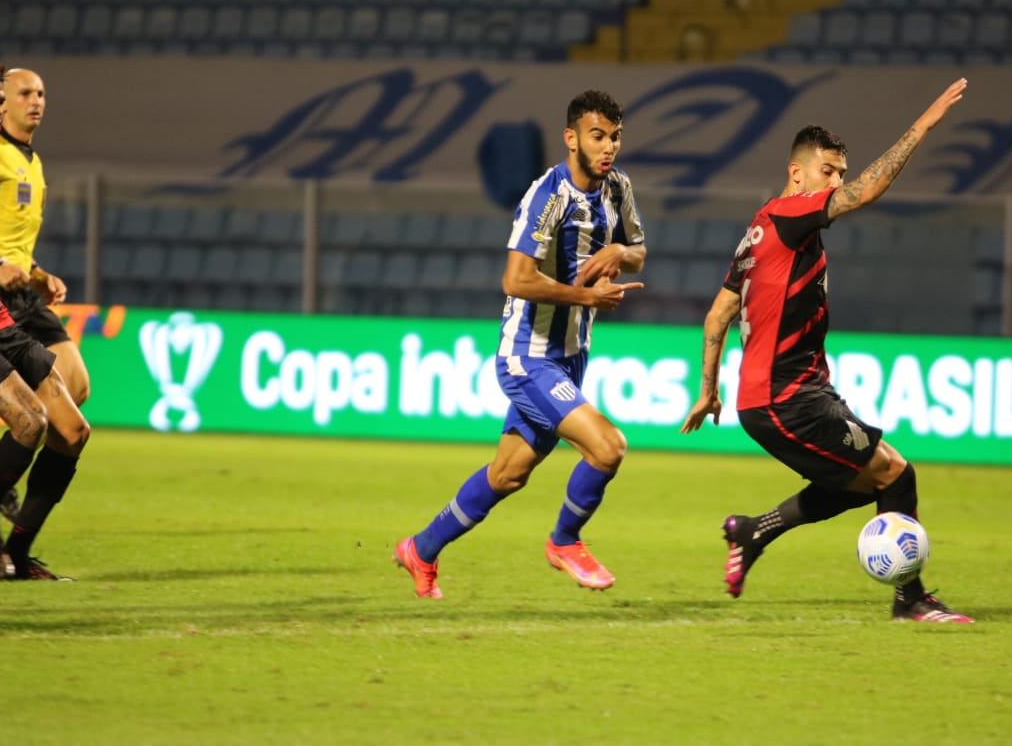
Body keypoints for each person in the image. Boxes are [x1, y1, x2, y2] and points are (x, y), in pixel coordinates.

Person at [680, 78, 974, 623]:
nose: (836, 181)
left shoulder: (761, 230)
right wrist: (922, 126)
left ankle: (752, 532)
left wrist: (707, 390)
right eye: (827, 171)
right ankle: (910, 600)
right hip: (785, 399)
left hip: (791, 394)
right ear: (798, 173)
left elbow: (719, 313)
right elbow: (864, 193)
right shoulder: (790, 216)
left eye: (839, 171)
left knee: (865, 483)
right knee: (896, 475)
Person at [393, 89, 646, 598]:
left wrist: (620, 248)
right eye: (598, 136)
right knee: (607, 447)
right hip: (527, 356)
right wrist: (585, 296)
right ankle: (565, 542)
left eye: (615, 137)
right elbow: (515, 280)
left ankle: (420, 549)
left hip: (571, 357)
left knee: (507, 474)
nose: (608, 147)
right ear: (571, 138)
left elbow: (639, 253)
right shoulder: (546, 197)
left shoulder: (617, 188)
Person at [0, 55, 90, 581]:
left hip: (0, 316)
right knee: (30, 420)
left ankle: (9, 544)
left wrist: (30, 272)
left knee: (73, 427)